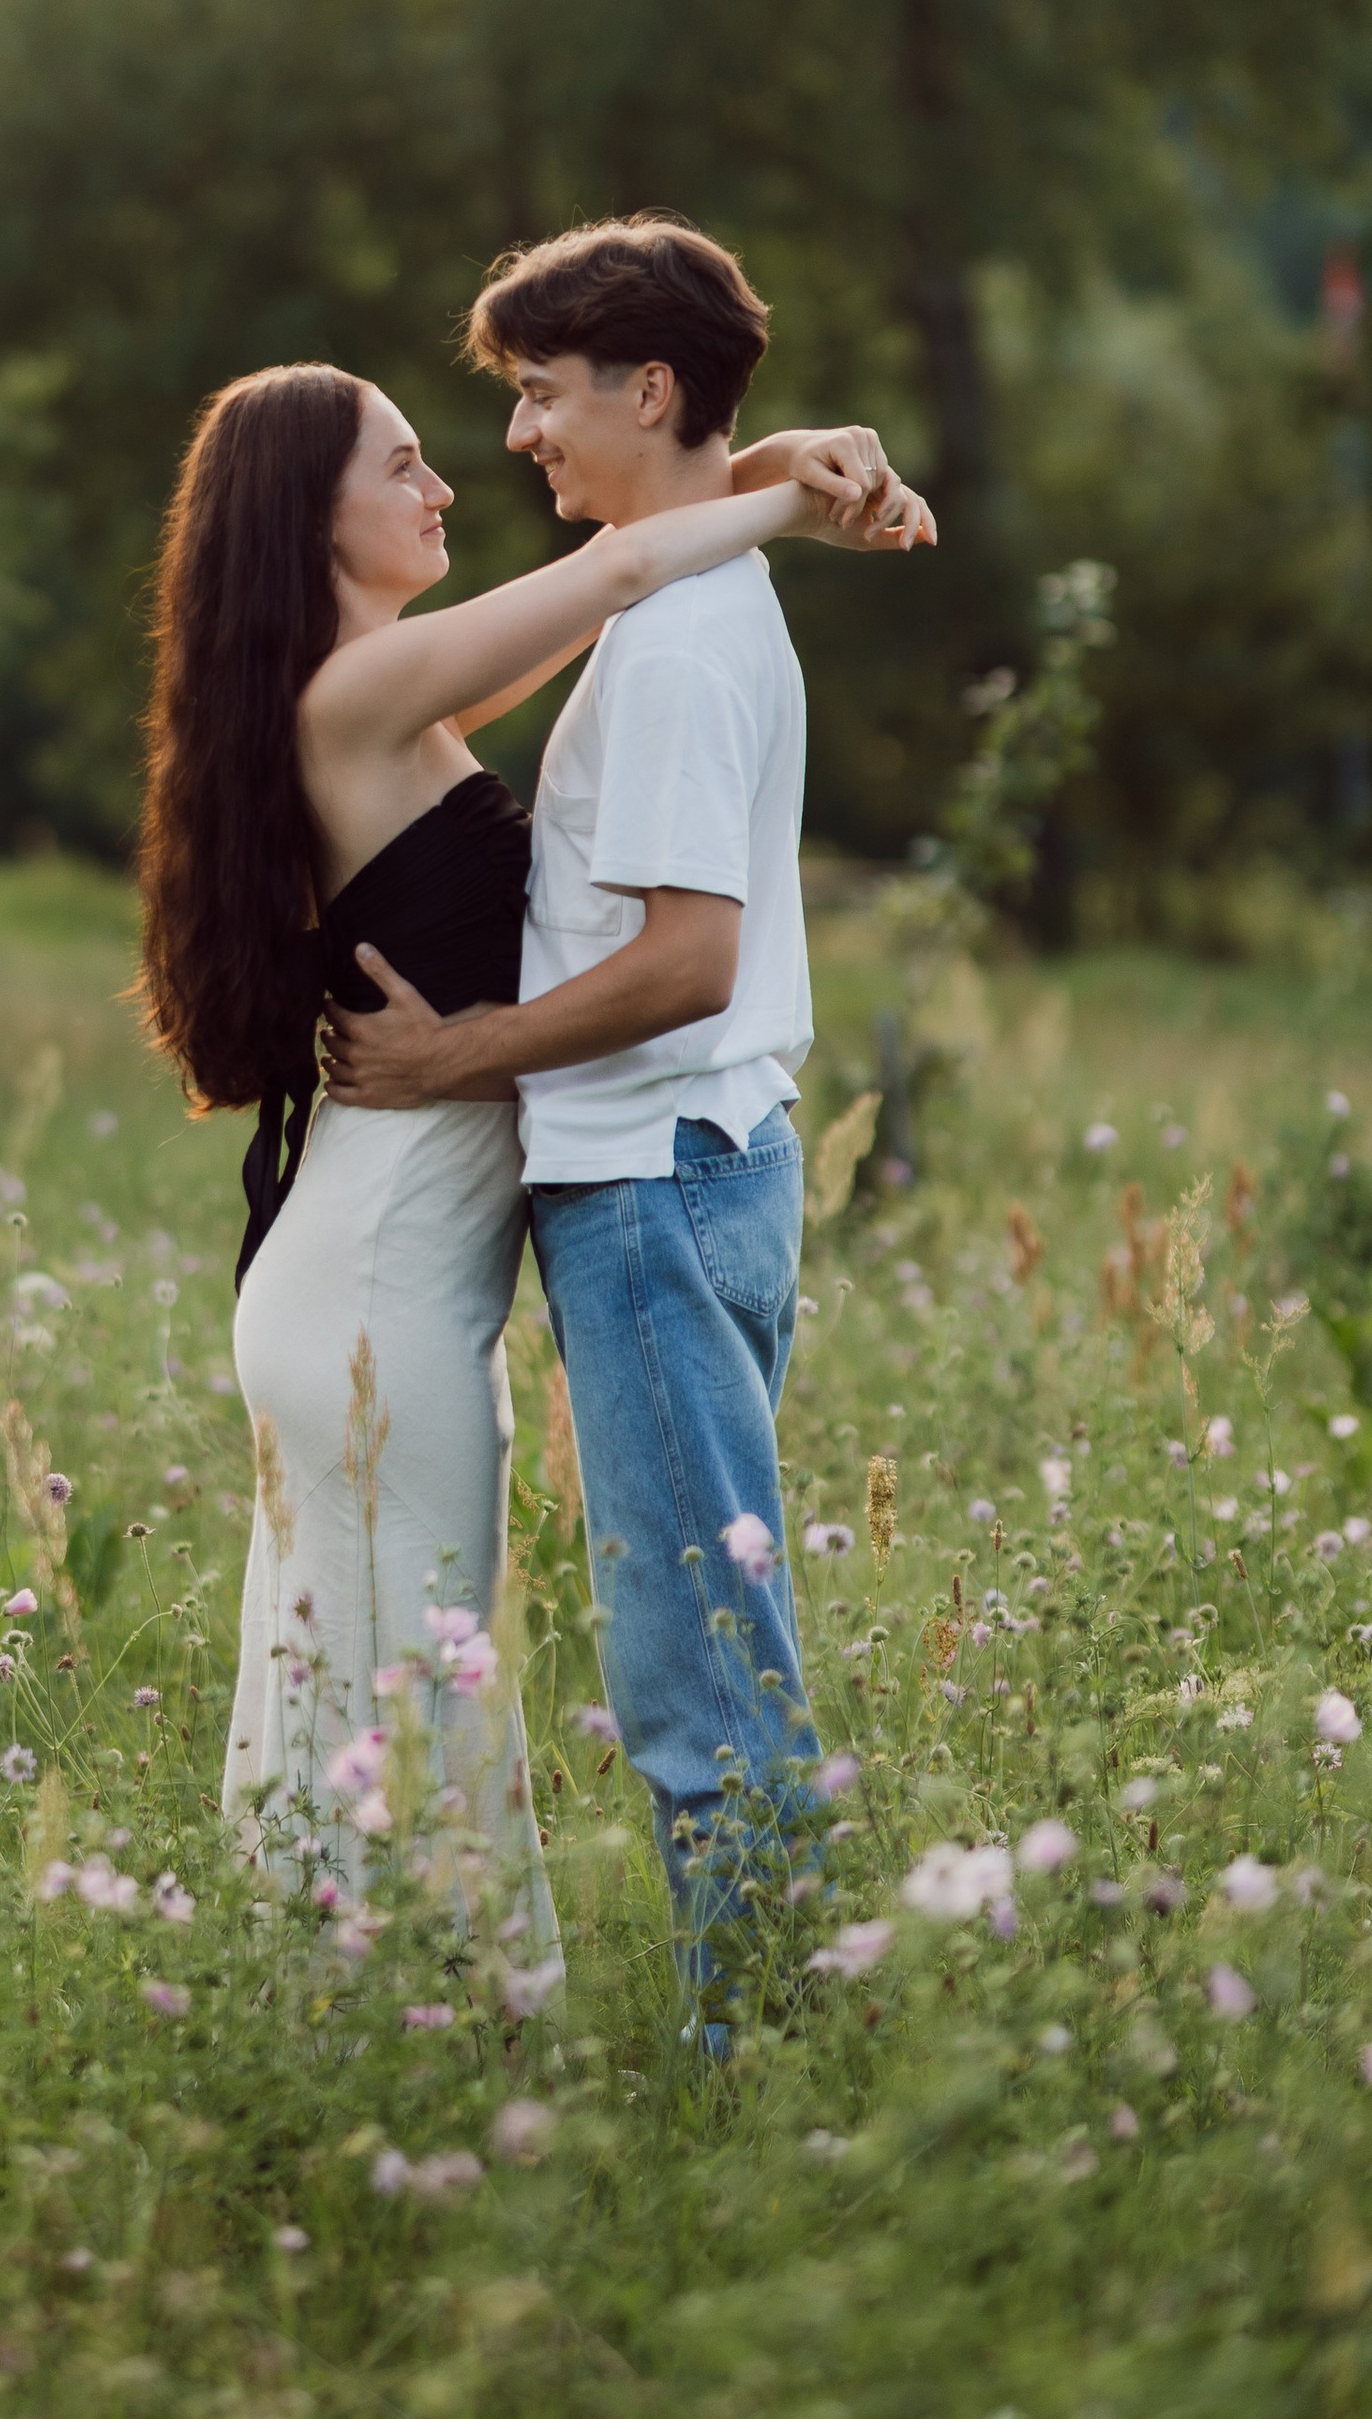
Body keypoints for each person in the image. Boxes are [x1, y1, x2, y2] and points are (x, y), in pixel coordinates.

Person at [132, 351, 930, 1925]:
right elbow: (626, 560)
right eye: (406, 467)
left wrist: (762, 460)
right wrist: (791, 496)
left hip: (388, 1280)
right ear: (311, 519)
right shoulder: (355, 700)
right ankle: (415, 2042)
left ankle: (375, 2034)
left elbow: (600, 572)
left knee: (384, 1676)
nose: (445, 487)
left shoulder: (391, 687)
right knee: (404, 1684)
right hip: (376, 1288)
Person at [324, 215, 925, 2024]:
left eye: (536, 394)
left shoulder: (666, 653)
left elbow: (683, 965)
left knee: (696, 1676)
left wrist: (453, 1059)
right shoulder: (682, 597)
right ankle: (779, 2030)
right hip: (690, 1175)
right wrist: (778, 471)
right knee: (705, 1637)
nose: (515, 436)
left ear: (643, 388)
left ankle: (771, 2060)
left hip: (654, 1188)